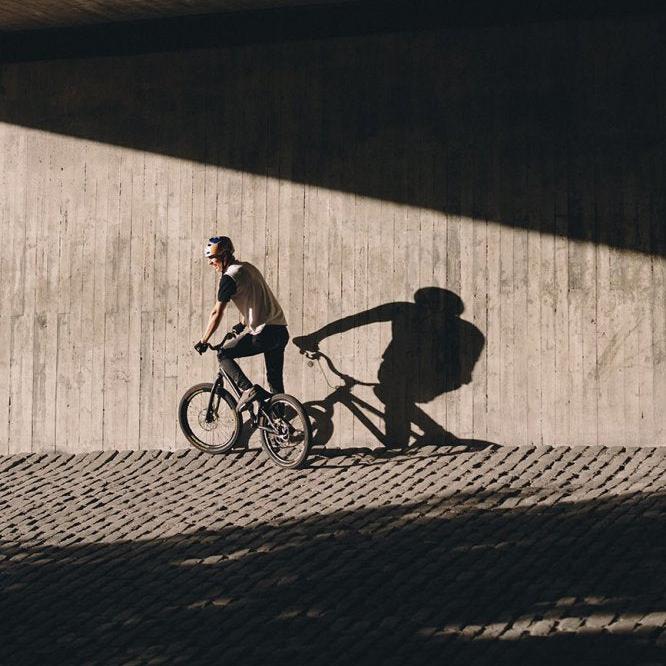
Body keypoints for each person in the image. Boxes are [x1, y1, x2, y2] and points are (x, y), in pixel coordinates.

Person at [194, 236, 289, 412]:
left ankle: (248, 390)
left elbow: (216, 312)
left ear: (224, 256)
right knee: (275, 382)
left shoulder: (228, 278)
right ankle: (279, 426)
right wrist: (243, 323)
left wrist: (204, 340)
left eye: (212, 258)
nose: (210, 263)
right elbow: (256, 298)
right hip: (280, 330)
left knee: (223, 354)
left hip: (264, 333)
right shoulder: (247, 268)